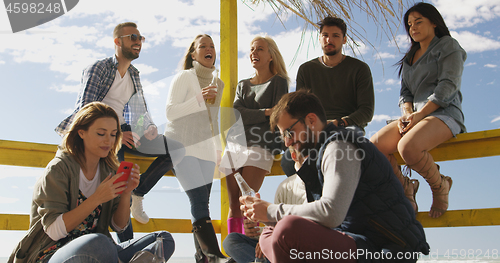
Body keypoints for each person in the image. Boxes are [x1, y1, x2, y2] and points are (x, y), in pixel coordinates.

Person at [240, 91, 429, 263]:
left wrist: (271, 211)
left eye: (289, 132)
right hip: (355, 240)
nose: (288, 142)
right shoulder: (319, 155)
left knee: (286, 229)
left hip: (386, 249)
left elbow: (331, 213)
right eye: (283, 137)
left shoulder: (339, 147)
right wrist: (264, 214)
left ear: (311, 120)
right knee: (271, 231)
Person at [55, 22, 184, 241]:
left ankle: (139, 190)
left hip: (127, 132)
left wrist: (149, 127)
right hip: (101, 133)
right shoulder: (98, 69)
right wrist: (114, 135)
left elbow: (139, 110)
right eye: (133, 37)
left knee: (176, 149)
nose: (138, 42)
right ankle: (128, 245)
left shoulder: (134, 74)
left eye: (140, 38)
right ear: (117, 42)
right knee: (121, 180)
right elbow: (86, 110)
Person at [9, 102, 175, 263]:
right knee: (101, 244)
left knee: (163, 240)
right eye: (101, 134)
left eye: (113, 134)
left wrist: (126, 193)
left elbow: (119, 227)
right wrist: (96, 198)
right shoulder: (59, 169)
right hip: (53, 252)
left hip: (101, 252)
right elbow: (53, 231)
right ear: (81, 132)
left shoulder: (109, 170)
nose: (108, 141)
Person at [369, 2, 466, 218]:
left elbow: (448, 86)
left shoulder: (448, 45)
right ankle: (405, 187)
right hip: (415, 116)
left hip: (444, 113)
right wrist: (407, 114)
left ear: (434, 22)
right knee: (374, 147)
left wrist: (420, 115)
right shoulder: (410, 58)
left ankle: (440, 185)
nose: (413, 27)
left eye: (418, 21)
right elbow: (405, 93)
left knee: (407, 147)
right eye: (410, 24)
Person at [164, 34, 231, 263]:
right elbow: (170, 113)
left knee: (203, 203)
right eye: (203, 46)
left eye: (212, 46)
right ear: (194, 54)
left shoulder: (218, 84)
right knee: (199, 202)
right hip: (181, 145)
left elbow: (212, 122)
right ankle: (214, 256)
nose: (209, 49)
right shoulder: (184, 77)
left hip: (206, 150)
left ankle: (202, 257)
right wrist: (198, 99)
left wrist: (217, 149)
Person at [281, 16, 374, 177]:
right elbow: (300, 110)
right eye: (325, 35)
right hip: (314, 129)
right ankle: (313, 199)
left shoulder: (360, 69)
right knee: (289, 160)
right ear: (319, 38)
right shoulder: (306, 69)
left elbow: (366, 111)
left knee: (341, 152)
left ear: (344, 40)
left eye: (335, 36)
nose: (329, 39)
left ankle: (339, 198)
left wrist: (339, 122)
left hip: (346, 127)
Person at [219, 35, 289, 234]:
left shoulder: (279, 82)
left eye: (259, 49)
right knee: (234, 204)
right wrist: (264, 112)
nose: (254, 53)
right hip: (235, 143)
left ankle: (251, 247)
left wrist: (261, 115)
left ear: (270, 56)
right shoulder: (243, 85)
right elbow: (236, 114)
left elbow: (278, 114)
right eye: (252, 49)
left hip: (261, 143)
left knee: (247, 203)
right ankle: (233, 248)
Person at [223, 174, 306, 263]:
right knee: (231, 240)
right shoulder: (285, 187)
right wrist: (257, 233)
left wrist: (268, 239)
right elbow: (276, 225)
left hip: (296, 247)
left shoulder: (319, 189)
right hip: (277, 244)